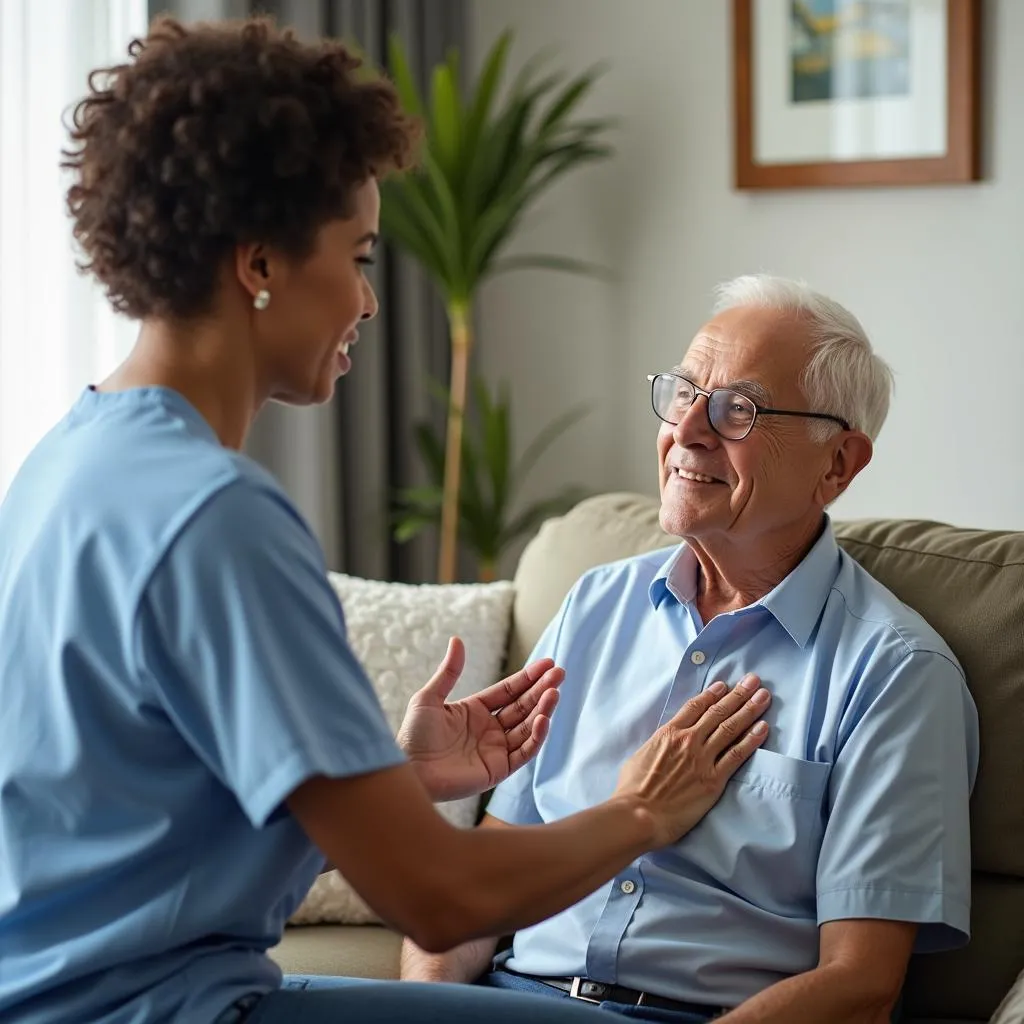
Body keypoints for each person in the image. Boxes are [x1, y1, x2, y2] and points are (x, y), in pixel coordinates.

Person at [0, 17, 776, 1024]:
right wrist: (641, 810)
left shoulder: (70, 456)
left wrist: (395, 774)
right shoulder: (218, 517)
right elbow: (439, 895)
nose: (367, 299)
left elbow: (134, 800)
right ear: (259, 262)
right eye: (358, 254)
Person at [402, 275, 981, 1023]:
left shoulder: (896, 673)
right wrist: (418, 1008)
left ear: (837, 464)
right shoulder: (595, 604)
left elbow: (861, 986)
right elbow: (481, 892)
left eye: (739, 409)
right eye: (684, 392)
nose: (690, 431)